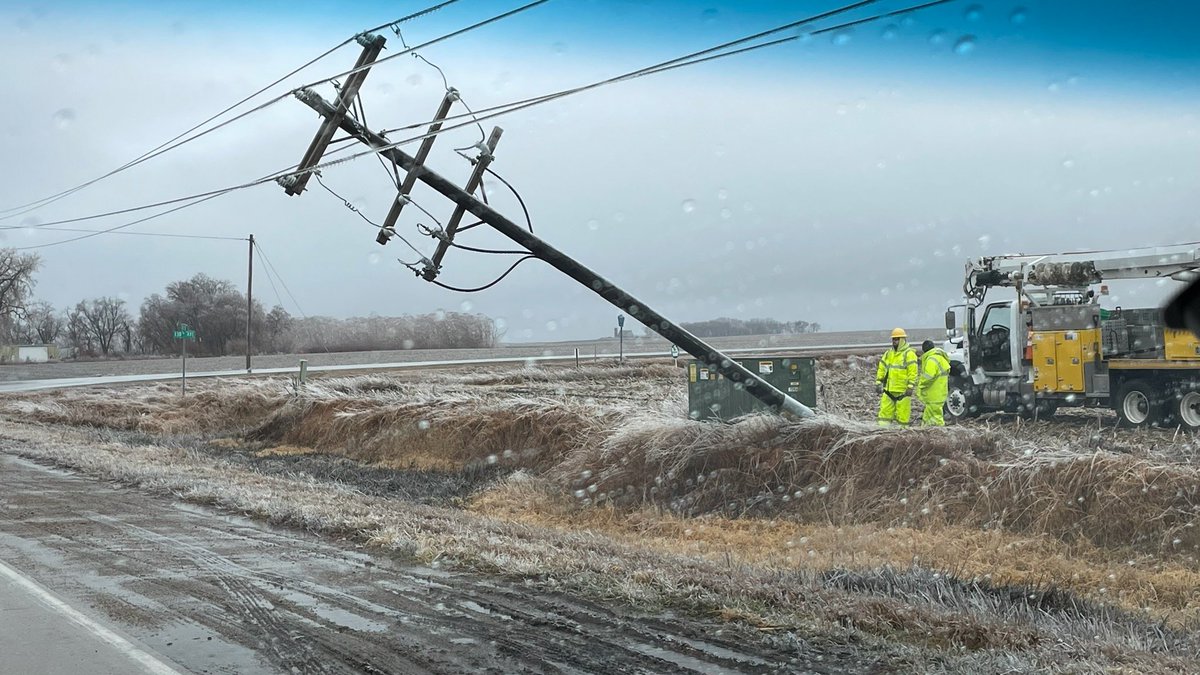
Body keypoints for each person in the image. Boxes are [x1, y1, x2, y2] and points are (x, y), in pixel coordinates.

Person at [875, 328, 918, 426]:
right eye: (893, 339)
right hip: (889, 391)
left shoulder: (909, 354)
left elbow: (913, 372)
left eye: (897, 339)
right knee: (884, 416)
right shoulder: (888, 353)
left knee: (902, 418)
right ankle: (882, 433)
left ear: (902, 340)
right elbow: (882, 368)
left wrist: (910, 386)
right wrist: (878, 382)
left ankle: (902, 437)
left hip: (903, 392)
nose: (894, 341)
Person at [917, 339, 951, 427]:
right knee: (929, 415)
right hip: (940, 392)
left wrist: (921, 386)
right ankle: (925, 431)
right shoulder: (940, 357)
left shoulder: (931, 360)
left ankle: (939, 434)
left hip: (933, 394)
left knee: (936, 417)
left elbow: (928, 377)